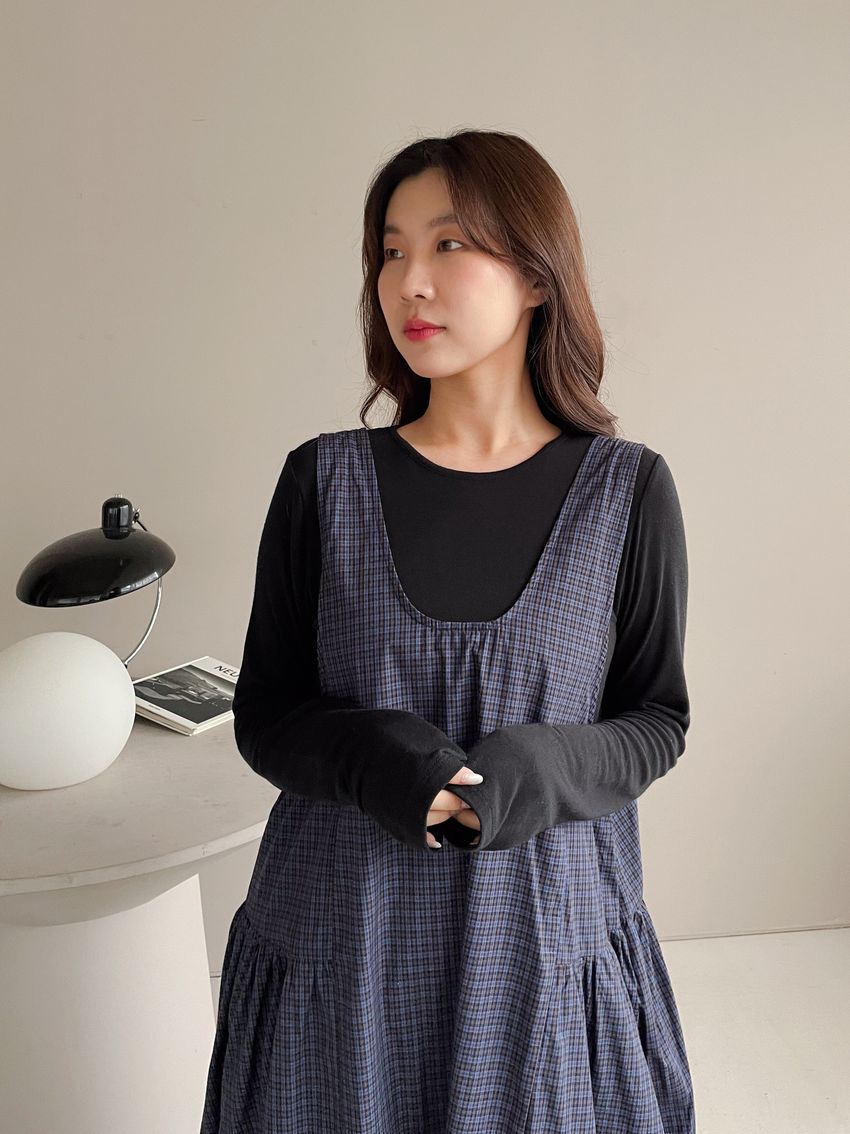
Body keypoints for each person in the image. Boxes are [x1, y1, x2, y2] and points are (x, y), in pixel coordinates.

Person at [200, 129, 696, 1133]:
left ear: (537, 276)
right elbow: (269, 716)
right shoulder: (322, 482)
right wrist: (377, 754)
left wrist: (538, 764)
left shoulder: (626, 492)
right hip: (340, 957)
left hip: (546, 956)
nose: (409, 282)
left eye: (449, 244)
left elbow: (656, 720)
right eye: (390, 251)